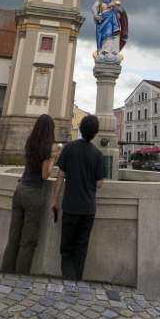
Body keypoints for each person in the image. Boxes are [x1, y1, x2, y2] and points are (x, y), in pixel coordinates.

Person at [51, 114, 104, 281]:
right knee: (81, 249)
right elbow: (100, 183)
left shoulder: (69, 148)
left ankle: (69, 281)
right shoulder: (98, 155)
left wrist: (54, 200)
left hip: (71, 207)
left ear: (80, 129)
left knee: (66, 249)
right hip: (88, 209)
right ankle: (77, 282)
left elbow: (60, 176)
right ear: (95, 133)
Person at [1, 114, 55, 274]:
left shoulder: (30, 142)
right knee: (28, 241)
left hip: (20, 189)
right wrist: (53, 159)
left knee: (13, 238)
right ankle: (19, 276)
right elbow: (45, 175)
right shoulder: (47, 148)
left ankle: (6, 271)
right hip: (34, 193)